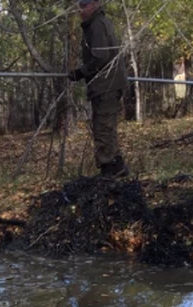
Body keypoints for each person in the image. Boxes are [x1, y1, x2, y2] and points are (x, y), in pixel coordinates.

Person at [68, 0, 129, 178]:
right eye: (79, 5)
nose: (80, 9)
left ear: (95, 4)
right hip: (107, 84)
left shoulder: (97, 25)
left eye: (84, 5)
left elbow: (101, 57)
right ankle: (117, 166)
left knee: (102, 127)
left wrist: (81, 72)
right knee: (107, 127)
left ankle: (107, 171)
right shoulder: (97, 23)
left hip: (106, 84)